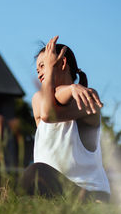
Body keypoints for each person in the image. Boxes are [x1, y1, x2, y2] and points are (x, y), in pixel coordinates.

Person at [20, 36, 110, 202]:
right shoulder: (38, 100)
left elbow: (50, 115)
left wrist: (70, 87)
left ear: (61, 64)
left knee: (35, 172)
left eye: (43, 65)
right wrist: (69, 87)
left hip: (90, 194)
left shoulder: (88, 97)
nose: (39, 71)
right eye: (37, 69)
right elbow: (49, 106)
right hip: (51, 189)